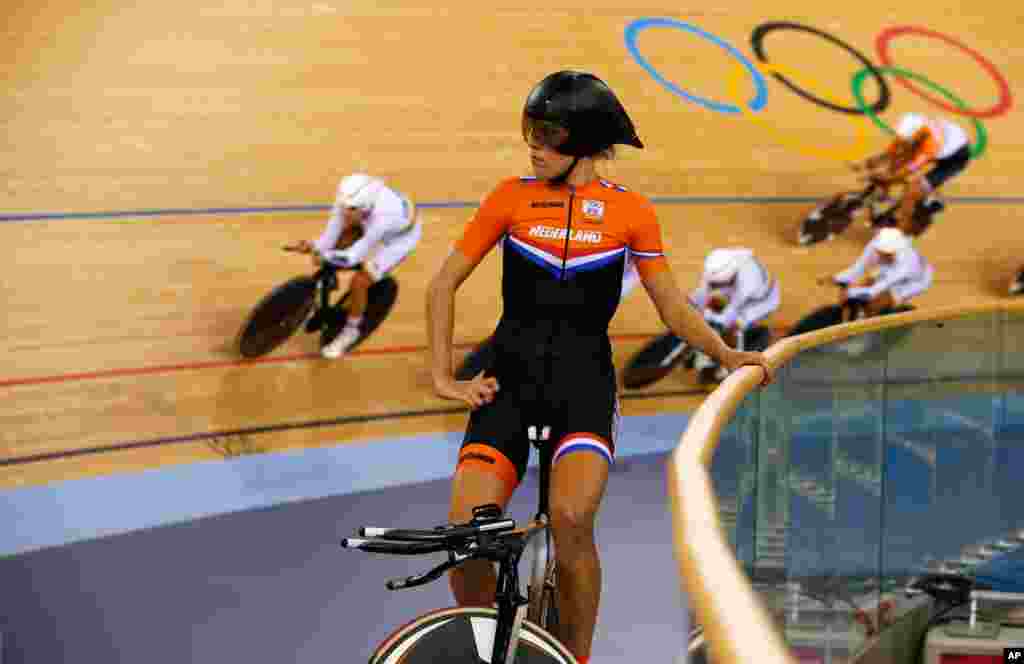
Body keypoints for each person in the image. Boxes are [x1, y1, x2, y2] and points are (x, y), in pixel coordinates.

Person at [425, 70, 773, 664]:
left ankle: (574, 658)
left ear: (583, 142)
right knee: (469, 536)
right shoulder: (509, 197)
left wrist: (724, 353)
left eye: (546, 134)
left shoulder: (632, 212)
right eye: (528, 131)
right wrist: (443, 377)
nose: (532, 145)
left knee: (571, 520)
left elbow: (672, 307)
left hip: (581, 389)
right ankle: (480, 643)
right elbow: (442, 285)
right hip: (507, 385)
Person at [288, 173, 421, 358]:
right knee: (337, 244)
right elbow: (329, 236)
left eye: (350, 210)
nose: (344, 212)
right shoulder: (348, 200)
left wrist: (327, 255)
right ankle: (326, 284)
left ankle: (351, 331)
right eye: (343, 207)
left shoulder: (384, 217)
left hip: (399, 239)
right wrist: (315, 246)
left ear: (364, 207)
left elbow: (354, 255)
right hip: (370, 219)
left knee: (360, 281)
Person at [850, 112, 970, 236]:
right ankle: (882, 191)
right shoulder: (912, 128)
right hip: (938, 143)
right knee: (895, 161)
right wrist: (864, 163)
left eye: (907, 140)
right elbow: (889, 154)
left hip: (954, 160)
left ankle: (898, 222)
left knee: (913, 188)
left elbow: (909, 170)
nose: (903, 141)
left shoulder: (931, 144)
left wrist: (887, 178)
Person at [686, 248, 780, 383]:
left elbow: (730, 314)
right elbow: (704, 291)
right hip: (734, 293)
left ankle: (730, 368)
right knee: (708, 312)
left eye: (718, 284)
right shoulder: (717, 266)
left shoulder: (748, 281)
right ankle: (707, 355)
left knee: (733, 327)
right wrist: (690, 305)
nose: (715, 285)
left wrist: (708, 321)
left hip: (759, 303)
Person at [832, 227, 933, 317]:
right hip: (891, 269)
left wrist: (851, 292)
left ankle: (873, 319)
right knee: (862, 285)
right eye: (879, 252)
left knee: (878, 301)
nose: (879, 255)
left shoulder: (907, 264)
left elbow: (875, 290)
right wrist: (838, 279)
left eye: (884, 254)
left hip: (916, 281)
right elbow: (858, 268)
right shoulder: (876, 245)